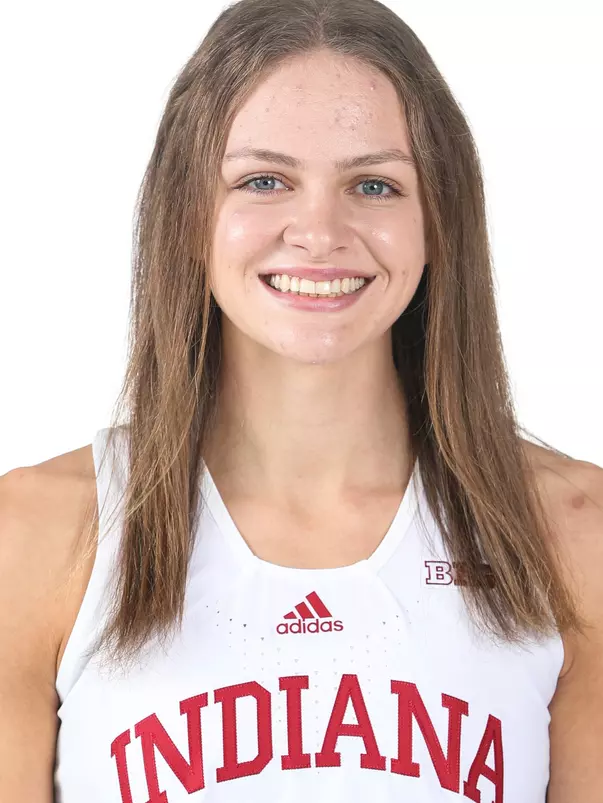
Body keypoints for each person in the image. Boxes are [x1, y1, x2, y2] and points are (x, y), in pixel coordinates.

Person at [1, 0, 601, 800]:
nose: (319, 231)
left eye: (374, 184)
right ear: (187, 214)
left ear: (438, 221)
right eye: (263, 180)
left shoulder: (573, 534)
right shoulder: (35, 537)